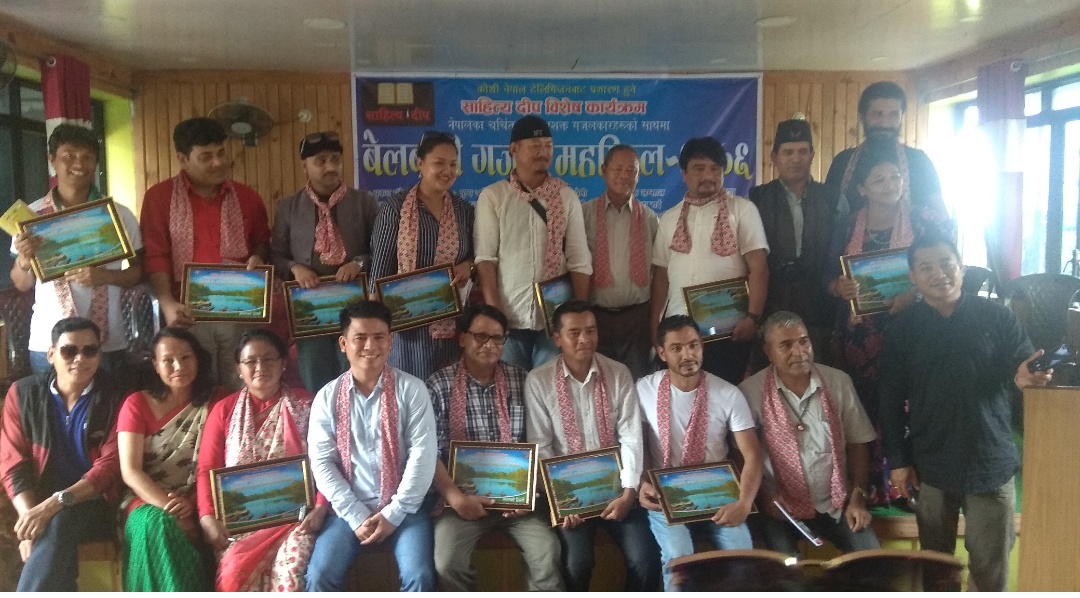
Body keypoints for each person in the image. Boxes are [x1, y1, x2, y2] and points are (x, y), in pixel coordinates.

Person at [879, 235, 1052, 592]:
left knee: (990, 567)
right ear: (913, 277)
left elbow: (1022, 364)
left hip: (989, 459)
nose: (938, 273)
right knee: (936, 567)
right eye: (926, 267)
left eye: (946, 263)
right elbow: (890, 400)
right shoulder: (901, 330)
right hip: (931, 461)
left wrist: (1025, 377)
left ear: (961, 266)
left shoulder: (997, 316)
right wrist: (898, 460)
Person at [825, 152, 948, 508]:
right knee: (863, 407)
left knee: (907, 405)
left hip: (913, 329)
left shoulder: (924, 221)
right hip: (860, 336)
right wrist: (838, 288)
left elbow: (946, 268)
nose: (889, 185)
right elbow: (826, 276)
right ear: (861, 188)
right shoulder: (847, 225)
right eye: (879, 179)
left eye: (895, 177)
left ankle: (907, 486)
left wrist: (915, 294)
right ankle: (867, 485)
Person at [524, 300, 660, 591]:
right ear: (557, 339)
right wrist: (561, 501)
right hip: (570, 497)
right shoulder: (538, 381)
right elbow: (541, 446)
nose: (584, 339)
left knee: (646, 558)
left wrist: (629, 492)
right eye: (574, 333)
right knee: (577, 563)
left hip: (618, 490)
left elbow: (631, 437)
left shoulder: (618, 373)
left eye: (590, 330)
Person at [426, 305, 562, 591]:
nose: (489, 345)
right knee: (447, 562)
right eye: (481, 336)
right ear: (463, 338)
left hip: (519, 503)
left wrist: (529, 495)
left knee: (547, 554)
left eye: (498, 338)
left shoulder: (522, 380)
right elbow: (429, 454)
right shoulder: (438, 385)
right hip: (461, 501)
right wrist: (457, 499)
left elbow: (540, 442)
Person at [305, 300, 437, 591]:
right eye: (360, 338)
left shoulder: (412, 390)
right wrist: (355, 515)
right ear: (343, 344)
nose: (370, 346)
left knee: (420, 576)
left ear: (391, 341)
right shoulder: (327, 397)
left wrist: (394, 514)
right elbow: (322, 463)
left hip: (406, 508)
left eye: (379, 337)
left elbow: (423, 456)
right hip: (348, 509)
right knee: (319, 575)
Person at [140, 117, 271, 391]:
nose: (218, 163)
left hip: (240, 311)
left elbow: (261, 243)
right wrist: (167, 303)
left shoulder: (248, 198)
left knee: (241, 385)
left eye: (221, 153)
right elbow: (155, 255)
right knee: (197, 387)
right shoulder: (159, 198)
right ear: (183, 158)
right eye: (206, 157)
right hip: (186, 313)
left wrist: (258, 258)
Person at [637, 314, 764, 592]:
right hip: (665, 497)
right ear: (662, 353)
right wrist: (642, 482)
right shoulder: (644, 390)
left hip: (718, 495)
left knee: (742, 554)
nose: (688, 355)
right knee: (679, 556)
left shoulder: (728, 393)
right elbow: (637, 445)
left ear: (702, 346)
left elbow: (753, 455)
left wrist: (743, 504)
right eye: (677, 348)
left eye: (693, 345)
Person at [196, 329, 329, 591]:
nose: (260, 367)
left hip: (297, 519)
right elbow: (206, 469)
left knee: (292, 571)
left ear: (283, 363)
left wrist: (321, 506)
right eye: (251, 361)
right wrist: (207, 517)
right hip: (240, 523)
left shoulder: (307, 405)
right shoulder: (224, 410)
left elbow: (329, 459)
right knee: (233, 574)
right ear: (239, 369)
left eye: (269, 359)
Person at [738, 311, 879, 557]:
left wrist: (858, 497)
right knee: (787, 572)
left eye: (804, 341)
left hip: (836, 504)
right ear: (768, 352)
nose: (799, 351)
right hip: (780, 509)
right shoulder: (750, 392)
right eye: (786, 345)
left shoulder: (838, 382)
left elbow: (858, 442)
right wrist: (764, 496)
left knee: (872, 560)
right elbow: (741, 453)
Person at [10, 124, 144, 376]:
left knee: (108, 402)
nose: (79, 164)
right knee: (52, 403)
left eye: (87, 157)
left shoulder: (119, 215)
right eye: (69, 156)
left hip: (107, 342)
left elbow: (138, 273)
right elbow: (21, 283)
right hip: (48, 344)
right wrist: (25, 262)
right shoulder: (32, 217)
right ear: (52, 160)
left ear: (96, 162)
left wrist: (105, 276)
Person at [0, 317, 124, 591]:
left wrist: (52, 506)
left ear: (99, 355)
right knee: (54, 533)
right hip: (39, 500)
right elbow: (13, 463)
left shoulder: (117, 396)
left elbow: (109, 466)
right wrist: (30, 519)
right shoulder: (23, 394)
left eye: (90, 351)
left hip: (95, 502)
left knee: (59, 522)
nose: (80, 358)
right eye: (69, 351)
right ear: (51, 355)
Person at [473, 115, 592, 371]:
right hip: (510, 319)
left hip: (555, 320)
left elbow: (579, 260)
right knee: (512, 388)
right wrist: (496, 315)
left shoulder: (566, 197)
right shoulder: (493, 196)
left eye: (548, 146)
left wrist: (577, 316)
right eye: (535, 145)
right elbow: (485, 258)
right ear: (513, 149)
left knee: (550, 390)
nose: (543, 152)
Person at [651, 137, 769, 385]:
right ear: (684, 174)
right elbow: (661, 277)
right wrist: (655, 328)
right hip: (677, 332)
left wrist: (752, 318)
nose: (708, 176)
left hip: (728, 332)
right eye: (699, 168)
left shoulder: (743, 210)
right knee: (681, 400)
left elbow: (759, 267)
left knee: (725, 398)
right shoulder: (669, 218)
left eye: (715, 169)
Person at [271, 131, 378, 393]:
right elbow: (276, 256)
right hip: (310, 315)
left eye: (335, 160)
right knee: (316, 384)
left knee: (356, 380)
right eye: (320, 161)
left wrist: (359, 264)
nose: (330, 167)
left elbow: (383, 251)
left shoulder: (364, 202)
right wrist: (295, 268)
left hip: (356, 313)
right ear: (304, 166)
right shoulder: (288, 207)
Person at [116, 327, 219, 591]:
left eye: (186, 357)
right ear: (155, 365)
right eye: (168, 360)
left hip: (203, 498)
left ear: (198, 359)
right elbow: (130, 471)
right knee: (157, 525)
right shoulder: (136, 404)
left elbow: (222, 464)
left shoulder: (218, 401)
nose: (179, 366)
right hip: (146, 497)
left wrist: (194, 505)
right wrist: (172, 508)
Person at [370, 131, 474, 381]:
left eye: (453, 164)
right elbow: (380, 266)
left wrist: (468, 266)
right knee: (410, 391)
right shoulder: (395, 207)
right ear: (420, 163)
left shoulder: (464, 210)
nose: (447, 171)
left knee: (449, 390)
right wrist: (375, 326)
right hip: (406, 327)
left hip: (452, 323)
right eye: (439, 163)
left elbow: (476, 256)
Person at [749, 120, 836, 365]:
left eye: (802, 151)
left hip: (821, 304)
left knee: (820, 372)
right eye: (788, 152)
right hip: (773, 302)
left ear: (812, 156)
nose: (796, 159)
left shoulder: (832, 197)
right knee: (771, 373)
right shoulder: (757, 199)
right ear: (774, 157)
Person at [583, 145, 659, 379]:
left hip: (637, 319)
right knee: (598, 383)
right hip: (596, 317)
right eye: (618, 169)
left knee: (636, 382)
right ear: (604, 170)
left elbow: (660, 274)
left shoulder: (650, 219)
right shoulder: (584, 215)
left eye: (631, 170)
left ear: (638, 175)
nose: (624, 176)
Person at [823, 81, 947, 218]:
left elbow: (941, 218)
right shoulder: (842, 162)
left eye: (893, 115)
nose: (885, 123)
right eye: (877, 114)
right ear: (862, 117)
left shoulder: (919, 162)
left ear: (901, 116)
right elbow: (827, 214)